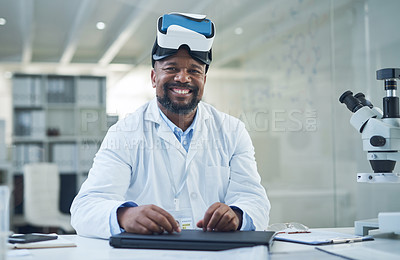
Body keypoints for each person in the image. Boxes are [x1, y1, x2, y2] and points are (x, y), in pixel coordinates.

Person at [70, 13, 270, 239]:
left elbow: (255, 200)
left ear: (204, 79)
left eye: (194, 70)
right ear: (154, 77)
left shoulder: (232, 131)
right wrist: (124, 216)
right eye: (171, 68)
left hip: (216, 253)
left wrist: (238, 215)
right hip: (150, 253)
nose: (183, 78)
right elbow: (84, 208)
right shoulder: (124, 133)